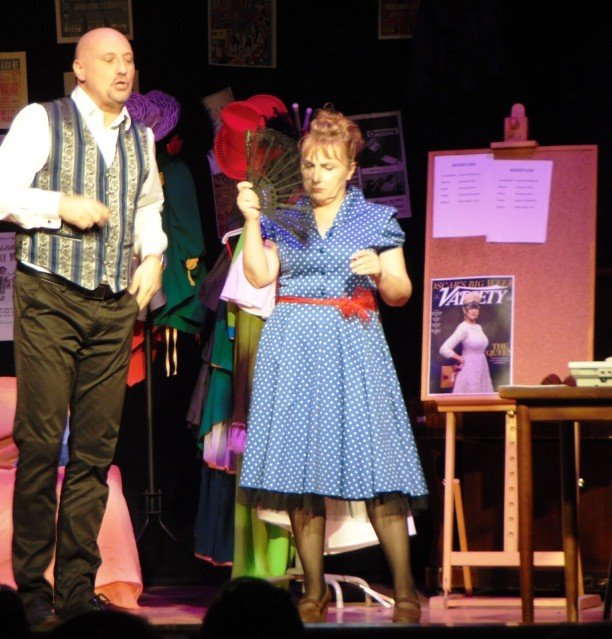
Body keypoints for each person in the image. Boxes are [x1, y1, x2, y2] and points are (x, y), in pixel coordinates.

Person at [0, 27, 166, 630]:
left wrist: (154, 256)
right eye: (109, 60)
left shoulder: (141, 138)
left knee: (94, 451)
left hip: (113, 305)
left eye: (129, 59)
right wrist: (59, 204)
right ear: (80, 69)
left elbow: (148, 207)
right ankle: (33, 590)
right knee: (39, 444)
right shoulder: (42, 120)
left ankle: (78, 589)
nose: (122, 69)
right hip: (51, 295)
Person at [234, 107, 428, 624]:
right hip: (294, 346)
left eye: (327, 165)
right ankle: (314, 591)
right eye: (309, 165)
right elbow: (259, 276)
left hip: (353, 346)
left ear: (349, 168)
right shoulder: (287, 216)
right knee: (302, 470)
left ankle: (405, 590)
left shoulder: (374, 219)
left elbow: (401, 293)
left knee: (379, 464)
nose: (316, 175)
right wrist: (252, 220)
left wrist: (380, 272)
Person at [438, 292, 494, 393]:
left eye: (476, 308)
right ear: (465, 310)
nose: (473, 311)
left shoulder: (479, 327)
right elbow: (444, 349)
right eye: (470, 308)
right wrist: (460, 359)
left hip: (482, 368)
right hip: (469, 369)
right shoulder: (463, 328)